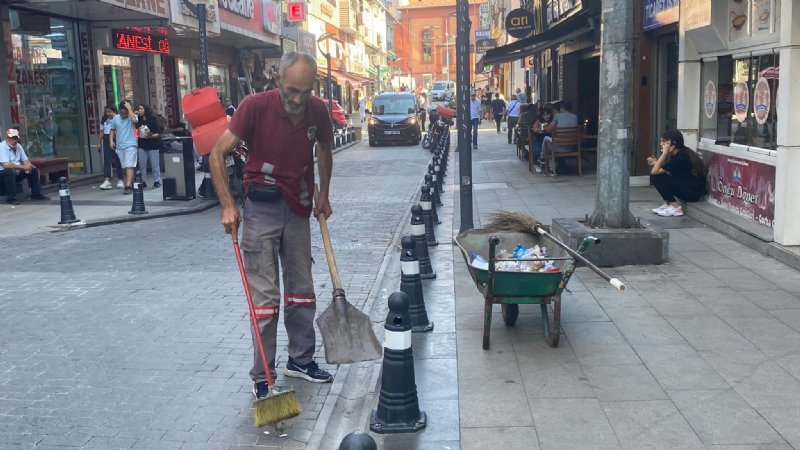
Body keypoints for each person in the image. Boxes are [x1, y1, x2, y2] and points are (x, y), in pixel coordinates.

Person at [208, 52, 335, 400]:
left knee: (302, 291)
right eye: (292, 90)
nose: (297, 99)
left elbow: (324, 148)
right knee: (265, 300)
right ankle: (263, 375)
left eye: (304, 92)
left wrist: (324, 193)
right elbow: (217, 153)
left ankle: (301, 360)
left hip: (299, 207)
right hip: (261, 208)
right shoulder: (255, 106)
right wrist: (227, 205)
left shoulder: (318, 110)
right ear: (278, 80)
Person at [649, 129, 706, 217]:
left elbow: (655, 172)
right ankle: (668, 203)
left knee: (656, 177)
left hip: (691, 193)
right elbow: (664, 170)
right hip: (688, 188)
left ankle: (675, 206)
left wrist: (664, 154)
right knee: (657, 176)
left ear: (672, 144)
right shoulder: (679, 153)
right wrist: (657, 163)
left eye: (664, 142)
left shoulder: (681, 157)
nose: (661, 144)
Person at [0, 129, 49, 204]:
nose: (14, 141)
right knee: (10, 171)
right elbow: (6, 165)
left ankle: (36, 194)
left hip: (16, 172)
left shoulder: (18, 146)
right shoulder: (2, 146)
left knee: (33, 169)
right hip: (3, 175)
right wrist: (23, 167)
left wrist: (28, 166)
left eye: (16, 138)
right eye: (12, 138)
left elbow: (25, 160)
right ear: (7, 138)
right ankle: (11, 199)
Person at [542, 101, 579, 174]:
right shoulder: (575, 116)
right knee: (550, 143)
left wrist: (544, 127)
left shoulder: (557, 116)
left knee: (546, 139)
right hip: (572, 146)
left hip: (560, 147)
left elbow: (549, 129)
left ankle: (543, 159)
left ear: (562, 108)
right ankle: (555, 167)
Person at [110, 100, 138, 194]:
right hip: (120, 145)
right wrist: (111, 141)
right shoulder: (116, 118)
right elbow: (112, 130)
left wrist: (130, 109)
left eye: (125, 113)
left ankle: (128, 186)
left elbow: (135, 121)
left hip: (131, 144)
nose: (123, 115)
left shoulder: (132, 116)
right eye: (122, 113)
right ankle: (133, 181)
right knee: (125, 166)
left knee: (129, 165)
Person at [97, 105, 125, 190]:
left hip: (116, 138)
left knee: (118, 159)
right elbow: (101, 132)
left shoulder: (118, 118)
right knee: (107, 159)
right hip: (106, 138)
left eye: (110, 112)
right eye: (107, 112)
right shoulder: (104, 119)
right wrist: (99, 142)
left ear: (114, 111)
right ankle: (107, 180)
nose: (108, 114)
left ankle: (120, 179)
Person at [136, 104, 163, 189]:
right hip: (142, 144)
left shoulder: (153, 119)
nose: (139, 110)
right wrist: (137, 135)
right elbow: (136, 129)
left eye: (141, 109)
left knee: (154, 163)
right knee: (142, 164)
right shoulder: (139, 119)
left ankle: (157, 180)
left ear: (145, 110)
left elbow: (158, 133)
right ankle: (143, 181)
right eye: (139, 109)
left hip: (153, 144)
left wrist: (150, 136)